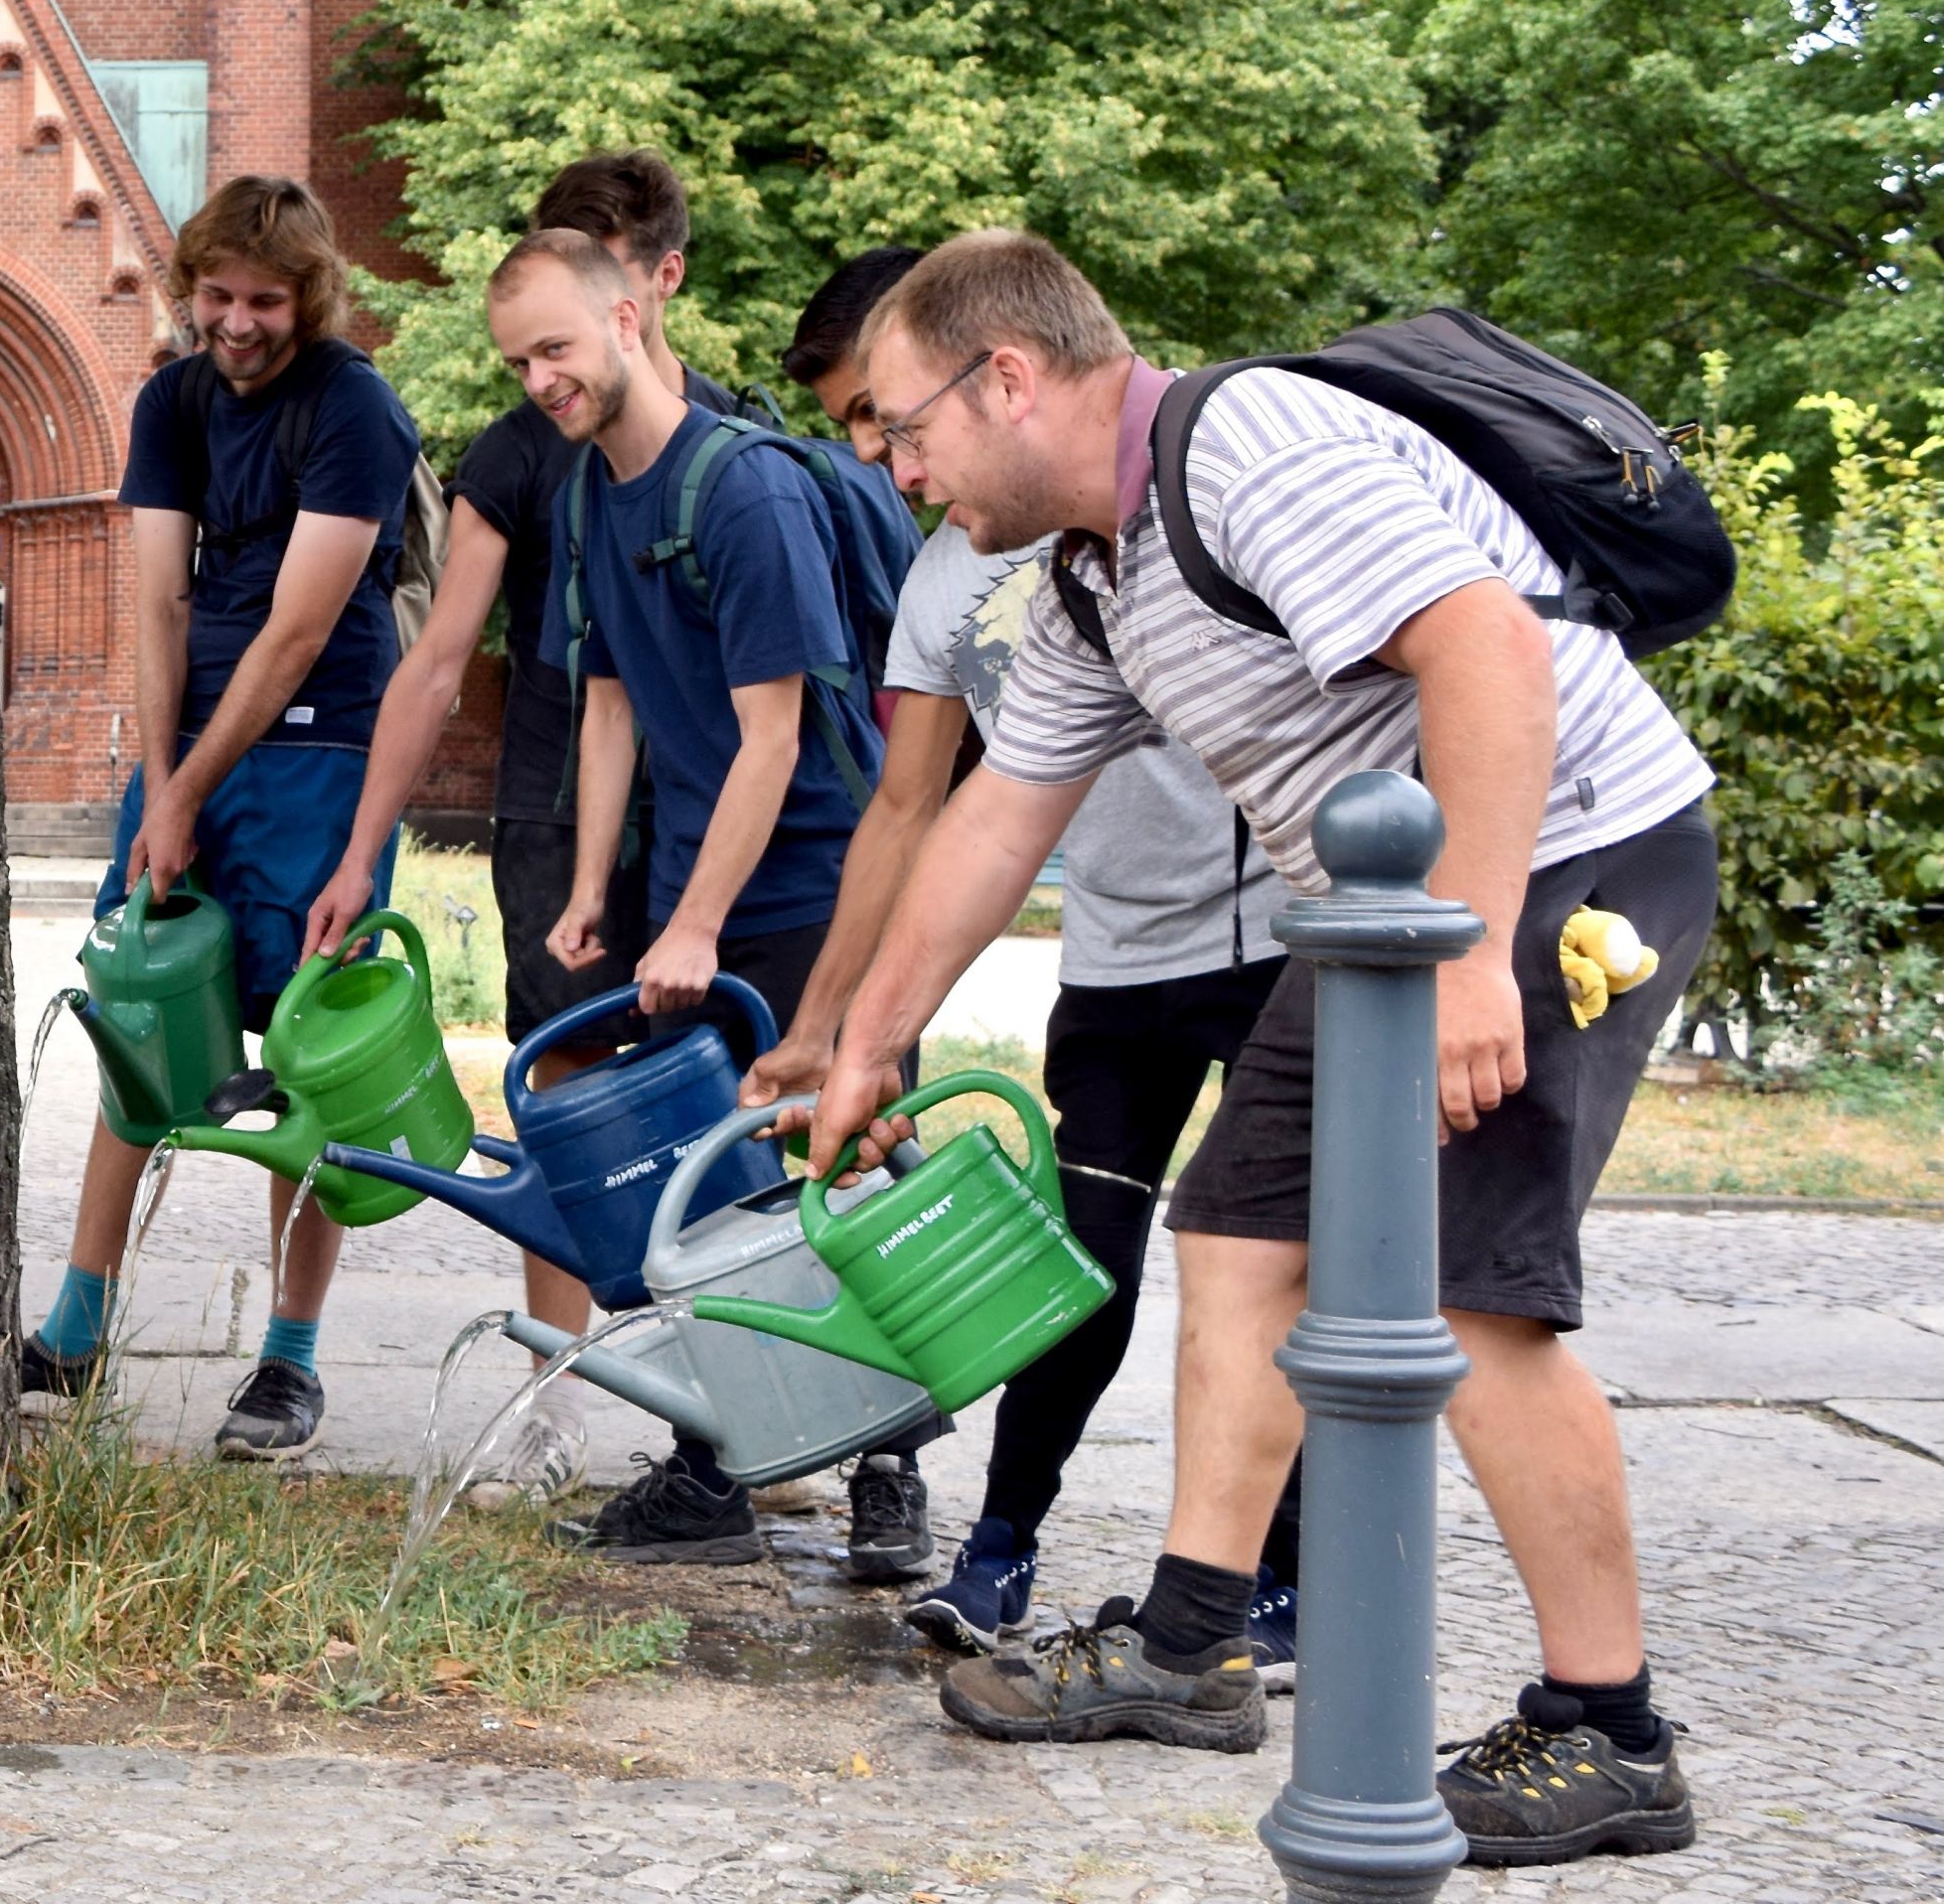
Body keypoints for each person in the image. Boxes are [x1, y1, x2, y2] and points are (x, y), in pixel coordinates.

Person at [810, 229, 1716, 1867]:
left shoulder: (1245, 450)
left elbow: (1491, 649)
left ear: (1005, 376)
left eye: (902, 427)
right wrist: (869, 1040)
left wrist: (1467, 950)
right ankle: (1192, 1645)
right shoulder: (1096, 573)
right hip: (1374, 900)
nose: (897, 467)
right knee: (1238, 1237)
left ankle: (1614, 1731)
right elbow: (1000, 812)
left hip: (1562, 855)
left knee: (1473, 1289)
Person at [741, 248, 1303, 1684]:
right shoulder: (952, 579)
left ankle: (1282, 1578)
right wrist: (835, 1026)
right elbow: (918, 809)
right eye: (856, 428)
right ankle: (1001, 1546)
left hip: (1279, 945)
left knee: (1276, 1261)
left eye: (888, 421)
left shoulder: (1163, 515)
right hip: (1120, 948)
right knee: (1087, 1259)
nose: (877, 457)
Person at [487, 226, 940, 1573]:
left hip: (811, 881)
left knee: (847, 1160)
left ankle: (890, 1476)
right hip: (699, 880)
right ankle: (716, 1471)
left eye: (557, 348)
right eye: (519, 362)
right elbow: (611, 703)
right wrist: (590, 894)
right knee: (720, 1193)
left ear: (630, 318)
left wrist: (695, 920)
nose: (541, 379)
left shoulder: (743, 492)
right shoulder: (586, 495)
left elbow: (776, 737)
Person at [303, 152, 745, 1512]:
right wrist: (356, 849)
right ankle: (560, 1394)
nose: (558, 341)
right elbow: (438, 661)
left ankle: (752, 1413)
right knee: (561, 1093)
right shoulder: (515, 450)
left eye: (599, 270)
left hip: (710, 808)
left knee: (736, 1104)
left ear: (656, 280)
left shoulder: (734, 442)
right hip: (557, 805)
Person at [21, 176, 422, 1461]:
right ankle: (78, 1331)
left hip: (323, 750)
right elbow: (155, 605)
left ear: (308, 298)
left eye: (263, 300)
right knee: (144, 1022)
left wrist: (187, 784)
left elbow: (302, 629)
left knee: (305, 1062)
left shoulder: (354, 407)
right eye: (218, 295)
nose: (237, 322)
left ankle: (288, 1365)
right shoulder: (173, 400)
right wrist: (161, 780)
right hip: (196, 749)